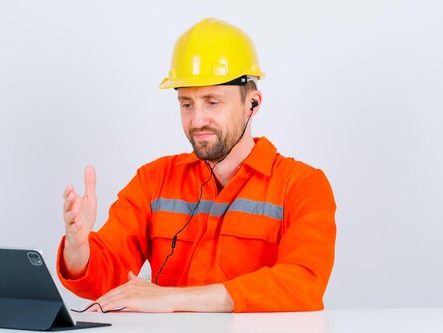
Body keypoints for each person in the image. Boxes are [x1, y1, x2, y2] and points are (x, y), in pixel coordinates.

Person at [58, 18, 336, 313]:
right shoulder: (154, 180)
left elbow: (302, 285)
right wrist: (79, 250)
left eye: (212, 102)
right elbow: (105, 281)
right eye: (187, 104)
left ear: (252, 103)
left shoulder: (302, 186)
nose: (197, 120)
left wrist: (171, 298)